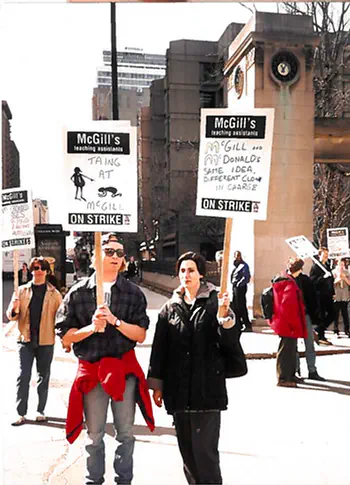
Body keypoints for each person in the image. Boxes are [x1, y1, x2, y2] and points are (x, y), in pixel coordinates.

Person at [55, 233, 154, 485]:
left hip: (123, 370)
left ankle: (124, 480)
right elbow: (66, 338)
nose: (115, 257)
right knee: (95, 435)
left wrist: (115, 322)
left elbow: (140, 334)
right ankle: (93, 480)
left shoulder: (133, 293)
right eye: (109, 251)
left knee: (126, 434)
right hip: (92, 371)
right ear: (95, 257)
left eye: (120, 253)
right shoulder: (77, 293)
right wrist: (90, 328)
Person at [147, 251, 237, 485]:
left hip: (207, 391)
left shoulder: (216, 302)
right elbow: (160, 349)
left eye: (191, 271)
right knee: (187, 455)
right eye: (182, 271)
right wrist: (157, 385)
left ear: (201, 274)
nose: (186, 275)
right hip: (178, 393)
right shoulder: (169, 308)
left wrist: (225, 318)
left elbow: (229, 337)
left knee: (205, 455)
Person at [6, 256, 62, 426]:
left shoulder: (54, 294)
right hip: (25, 339)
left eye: (40, 268)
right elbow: (11, 316)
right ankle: (20, 412)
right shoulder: (21, 291)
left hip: (46, 341)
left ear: (46, 271)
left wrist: (66, 339)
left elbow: (61, 318)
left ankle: (40, 410)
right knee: (23, 376)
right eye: (34, 268)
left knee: (43, 376)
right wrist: (14, 308)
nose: (37, 271)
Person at [287, 257, 325, 381]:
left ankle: (311, 371)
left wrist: (315, 317)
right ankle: (297, 370)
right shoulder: (286, 280)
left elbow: (312, 299)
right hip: (294, 316)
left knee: (308, 343)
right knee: (295, 346)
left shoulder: (305, 280)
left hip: (304, 314)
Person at [269, 267, 307, 388]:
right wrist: (293, 324)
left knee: (290, 350)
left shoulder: (284, 280)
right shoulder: (289, 284)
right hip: (289, 324)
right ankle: (284, 378)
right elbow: (288, 306)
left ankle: (290, 374)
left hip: (284, 322)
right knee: (286, 351)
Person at [309, 247, 335, 345]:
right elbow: (313, 281)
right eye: (324, 255)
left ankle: (319, 330)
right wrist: (323, 278)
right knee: (322, 316)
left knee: (332, 314)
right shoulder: (315, 267)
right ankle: (321, 336)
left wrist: (333, 293)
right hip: (319, 295)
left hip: (327, 294)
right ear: (319, 255)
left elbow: (330, 281)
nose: (326, 257)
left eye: (327, 255)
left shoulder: (327, 266)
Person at [230, 250, 252, 332]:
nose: (236, 257)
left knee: (241, 306)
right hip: (235, 287)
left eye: (238, 255)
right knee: (235, 306)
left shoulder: (244, 265)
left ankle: (247, 324)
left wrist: (239, 284)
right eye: (235, 255)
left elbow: (246, 277)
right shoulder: (236, 266)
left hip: (240, 288)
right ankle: (238, 324)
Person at [332, 258, 350, 337]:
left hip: (344, 295)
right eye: (340, 264)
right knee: (336, 313)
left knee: (345, 313)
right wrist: (338, 278)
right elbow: (332, 283)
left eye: (343, 265)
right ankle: (336, 330)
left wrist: (344, 278)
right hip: (337, 294)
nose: (341, 266)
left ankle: (347, 329)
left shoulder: (347, 272)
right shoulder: (333, 272)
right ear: (337, 264)